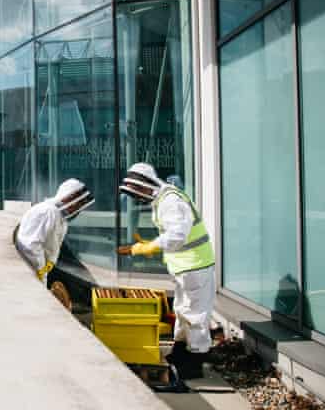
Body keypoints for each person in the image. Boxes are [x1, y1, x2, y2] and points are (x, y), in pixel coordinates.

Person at [117, 162, 216, 380]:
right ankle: (181, 352)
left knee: (195, 314)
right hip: (185, 266)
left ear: (145, 185)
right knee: (181, 309)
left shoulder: (171, 201)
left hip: (195, 265)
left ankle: (195, 360)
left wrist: (149, 247)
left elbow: (177, 236)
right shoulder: (163, 199)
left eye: (138, 191)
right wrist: (152, 246)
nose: (138, 196)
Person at [14, 179, 95, 285]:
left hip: (43, 270)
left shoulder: (59, 216)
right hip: (33, 273)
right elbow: (31, 246)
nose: (78, 209)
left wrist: (46, 270)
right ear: (67, 198)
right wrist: (40, 273)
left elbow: (52, 247)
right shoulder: (48, 212)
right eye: (78, 204)